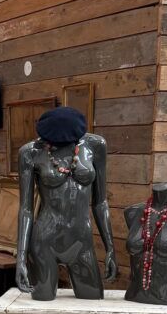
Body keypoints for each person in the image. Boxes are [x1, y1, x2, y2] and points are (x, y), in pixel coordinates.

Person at [15, 107, 116, 301]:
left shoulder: (95, 145)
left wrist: (110, 247)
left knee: (92, 304)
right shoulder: (30, 152)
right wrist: (20, 258)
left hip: (81, 241)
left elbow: (101, 202)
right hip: (45, 239)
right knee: (40, 311)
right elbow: (26, 209)